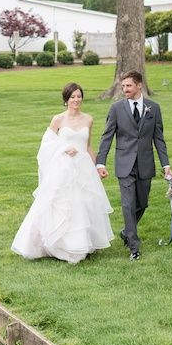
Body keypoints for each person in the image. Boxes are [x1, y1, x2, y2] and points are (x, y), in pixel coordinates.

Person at [11, 82, 114, 264]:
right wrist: (64, 147)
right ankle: (53, 244)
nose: (76, 100)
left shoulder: (88, 119)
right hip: (63, 169)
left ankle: (81, 243)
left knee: (83, 204)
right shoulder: (58, 119)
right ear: (66, 100)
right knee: (60, 204)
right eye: (72, 97)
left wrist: (98, 166)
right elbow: (46, 144)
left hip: (83, 169)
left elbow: (88, 146)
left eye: (79, 96)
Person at [96, 70, 172, 260]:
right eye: (123, 86)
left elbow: (159, 139)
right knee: (128, 204)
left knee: (142, 203)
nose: (125, 90)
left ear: (139, 85)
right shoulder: (116, 109)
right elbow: (107, 136)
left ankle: (126, 231)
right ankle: (133, 246)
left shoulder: (153, 108)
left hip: (145, 164)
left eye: (128, 86)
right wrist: (100, 162)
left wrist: (166, 166)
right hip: (124, 164)